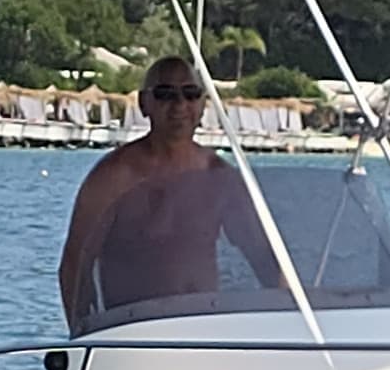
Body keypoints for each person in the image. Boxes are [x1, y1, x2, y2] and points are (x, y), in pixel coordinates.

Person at [57, 57, 282, 331]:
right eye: (165, 94)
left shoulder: (221, 178)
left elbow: (263, 258)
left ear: (201, 105)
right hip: (132, 336)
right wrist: (82, 338)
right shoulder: (112, 178)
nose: (179, 105)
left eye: (190, 94)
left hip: (205, 333)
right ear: (144, 103)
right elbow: (74, 267)